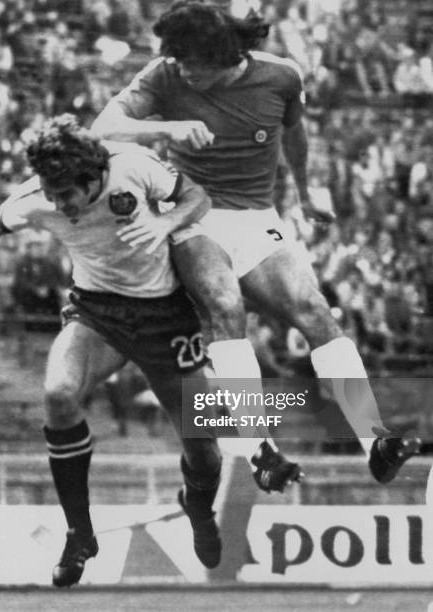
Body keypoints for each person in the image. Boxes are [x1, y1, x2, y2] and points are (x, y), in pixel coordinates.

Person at [0, 114, 237, 586]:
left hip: (166, 318)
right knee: (58, 394)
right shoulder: (39, 195)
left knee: (206, 451)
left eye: (68, 194)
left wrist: (167, 222)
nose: (60, 205)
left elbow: (197, 195)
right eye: (52, 195)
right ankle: (80, 533)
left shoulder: (132, 165)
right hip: (98, 313)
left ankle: (196, 506)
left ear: (94, 176)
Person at [91, 0, 421, 484]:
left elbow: (295, 137)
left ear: (224, 56)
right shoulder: (166, 75)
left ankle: (375, 440)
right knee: (225, 308)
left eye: (191, 63)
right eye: (176, 60)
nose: (181, 69)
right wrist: (166, 126)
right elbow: (101, 128)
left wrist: (307, 195)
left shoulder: (281, 77)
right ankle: (258, 449)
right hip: (193, 213)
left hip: (257, 216)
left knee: (314, 310)